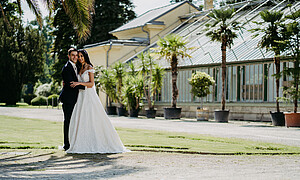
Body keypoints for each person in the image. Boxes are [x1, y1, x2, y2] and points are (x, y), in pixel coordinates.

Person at [66, 49, 129, 154]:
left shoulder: (90, 68)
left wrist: (79, 83)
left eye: (82, 56)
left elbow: (91, 84)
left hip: (89, 95)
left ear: (85, 57)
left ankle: (98, 142)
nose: (80, 58)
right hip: (81, 96)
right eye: (79, 56)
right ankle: (80, 141)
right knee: (81, 119)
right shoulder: (79, 68)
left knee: (92, 117)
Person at [59, 48, 85, 151]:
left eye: (76, 55)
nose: (75, 57)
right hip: (68, 99)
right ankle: (66, 144)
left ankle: (74, 142)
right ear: (69, 56)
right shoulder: (66, 68)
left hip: (76, 99)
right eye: (73, 55)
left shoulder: (77, 66)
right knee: (68, 121)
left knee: (75, 121)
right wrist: (86, 87)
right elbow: (71, 85)